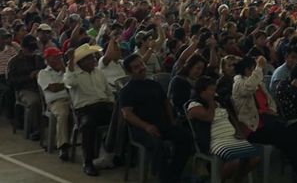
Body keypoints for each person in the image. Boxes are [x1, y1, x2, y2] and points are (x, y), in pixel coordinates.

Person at [232, 56, 297, 183]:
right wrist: (259, 67)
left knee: (296, 137)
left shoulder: (258, 84)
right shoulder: (239, 83)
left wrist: (271, 110)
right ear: (246, 70)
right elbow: (248, 88)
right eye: (253, 68)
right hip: (254, 128)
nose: (256, 71)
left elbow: (270, 101)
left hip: (268, 121)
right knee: (290, 139)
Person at [120, 54, 192, 183]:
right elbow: (127, 114)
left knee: (186, 137)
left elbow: (166, 103)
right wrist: (146, 126)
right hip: (141, 129)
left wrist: (171, 120)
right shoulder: (127, 90)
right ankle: (165, 178)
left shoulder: (154, 84)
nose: (141, 68)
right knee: (157, 143)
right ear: (130, 72)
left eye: (141, 64)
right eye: (136, 67)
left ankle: (173, 173)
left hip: (161, 124)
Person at [187, 76, 260, 183]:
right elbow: (209, 117)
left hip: (231, 137)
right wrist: (211, 102)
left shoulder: (219, 102)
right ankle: (222, 180)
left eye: (214, 89)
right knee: (236, 161)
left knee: (255, 158)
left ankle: (236, 179)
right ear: (202, 91)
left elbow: (232, 118)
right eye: (211, 89)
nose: (214, 92)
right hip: (214, 140)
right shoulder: (194, 105)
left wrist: (239, 132)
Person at [63, 43, 115, 176]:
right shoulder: (73, 73)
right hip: (85, 110)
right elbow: (70, 82)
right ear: (81, 62)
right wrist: (71, 63)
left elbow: (109, 93)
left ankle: (112, 153)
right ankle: (88, 162)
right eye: (90, 58)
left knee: (122, 118)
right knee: (88, 125)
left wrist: (111, 103)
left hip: (103, 106)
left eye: (93, 58)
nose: (94, 60)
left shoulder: (99, 73)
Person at [7, 34, 45, 140]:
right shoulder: (14, 62)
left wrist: (40, 72)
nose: (32, 52)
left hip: (40, 87)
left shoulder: (37, 58)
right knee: (34, 102)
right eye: (29, 50)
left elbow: (45, 70)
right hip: (24, 89)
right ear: (23, 48)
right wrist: (29, 77)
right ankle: (36, 129)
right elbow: (11, 81)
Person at [37, 47, 71, 160]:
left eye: (59, 57)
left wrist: (65, 71)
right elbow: (53, 88)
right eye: (55, 57)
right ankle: (63, 146)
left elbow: (74, 82)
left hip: (72, 99)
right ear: (47, 59)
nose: (58, 59)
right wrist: (66, 84)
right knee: (63, 113)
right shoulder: (43, 73)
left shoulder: (65, 71)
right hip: (56, 102)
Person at [168, 54, 206, 119]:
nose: (200, 72)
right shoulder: (178, 81)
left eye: (202, 69)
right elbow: (179, 105)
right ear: (190, 66)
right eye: (198, 68)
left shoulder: (199, 81)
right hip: (185, 117)